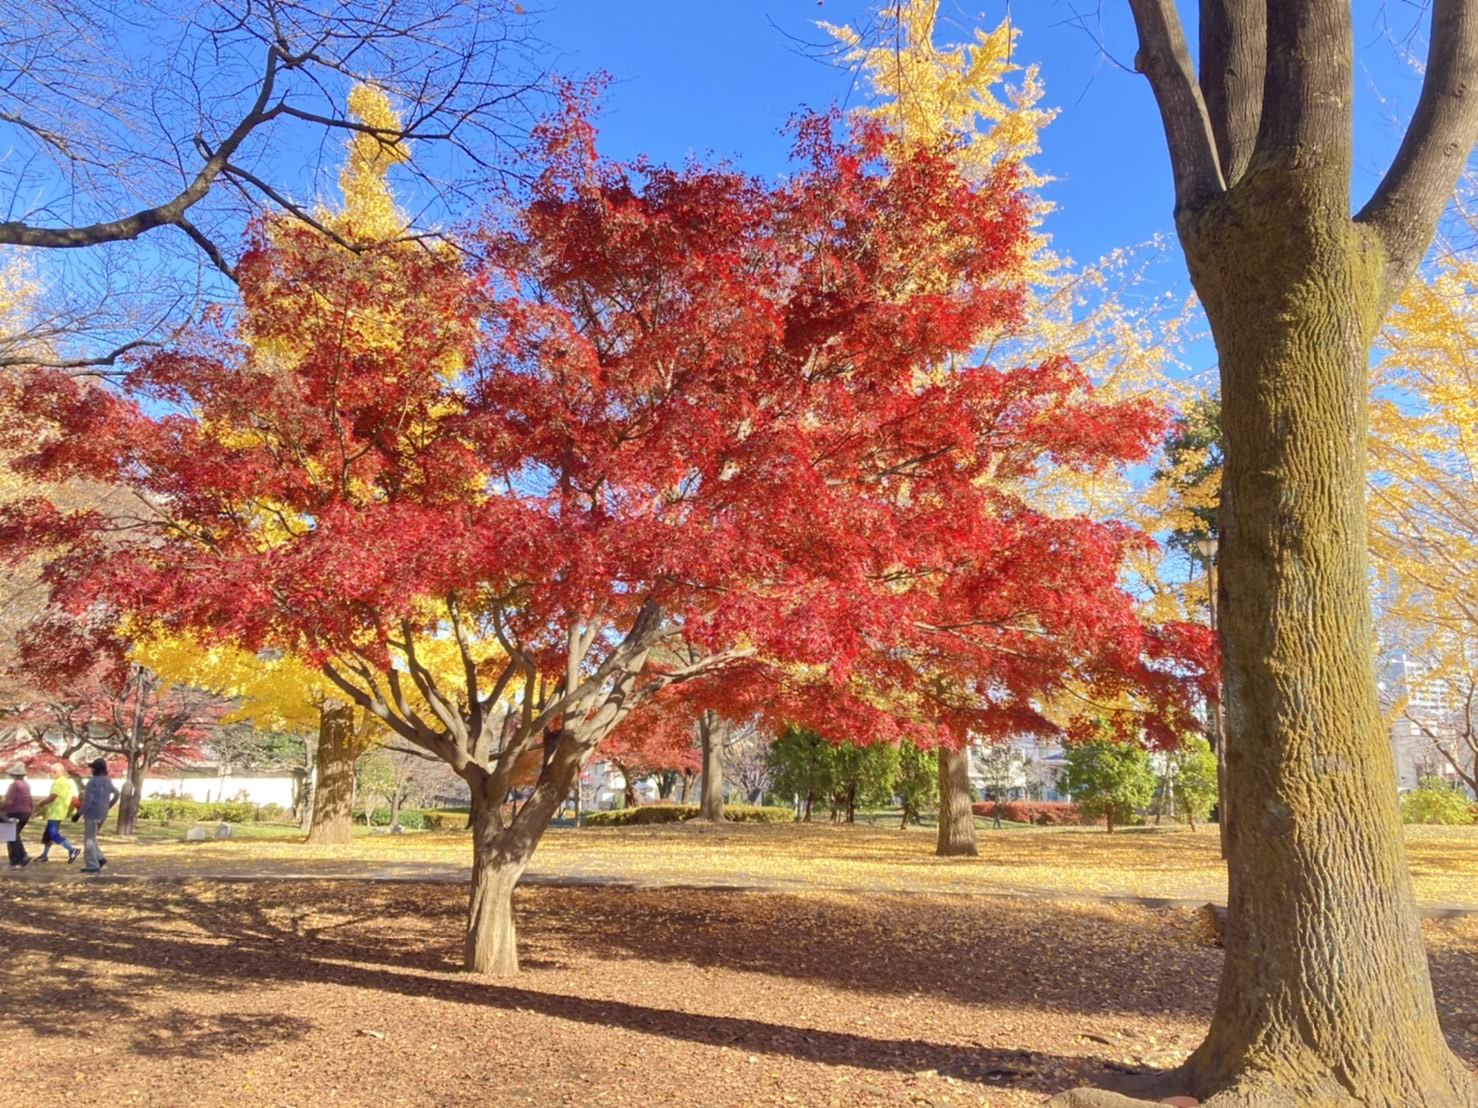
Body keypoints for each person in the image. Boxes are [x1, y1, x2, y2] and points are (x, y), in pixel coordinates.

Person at [32, 764, 81, 864]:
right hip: (60, 812)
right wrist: (79, 809)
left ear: (55, 772)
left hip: (55, 813)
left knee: (53, 834)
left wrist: (40, 804)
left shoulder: (58, 783)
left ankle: (72, 850)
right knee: (48, 835)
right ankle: (44, 855)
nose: (50, 774)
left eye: (51, 772)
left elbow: (52, 797)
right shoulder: (67, 782)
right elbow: (73, 798)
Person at [80, 758, 119, 874]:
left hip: (92, 813)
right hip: (103, 813)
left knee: (89, 840)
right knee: (92, 838)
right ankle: (100, 858)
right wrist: (109, 805)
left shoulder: (92, 782)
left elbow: (89, 801)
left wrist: (79, 813)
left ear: (95, 770)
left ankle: (92, 865)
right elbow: (117, 793)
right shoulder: (107, 781)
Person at [4, 763, 33, 869]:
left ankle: (15, 861)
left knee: (10, 836)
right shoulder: (26, 785)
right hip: (25, 812)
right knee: (15, 835)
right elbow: (30, 800)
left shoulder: (14, 785)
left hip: (14, 812)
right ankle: (23, 856)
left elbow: (9, 801)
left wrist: (2, 809)